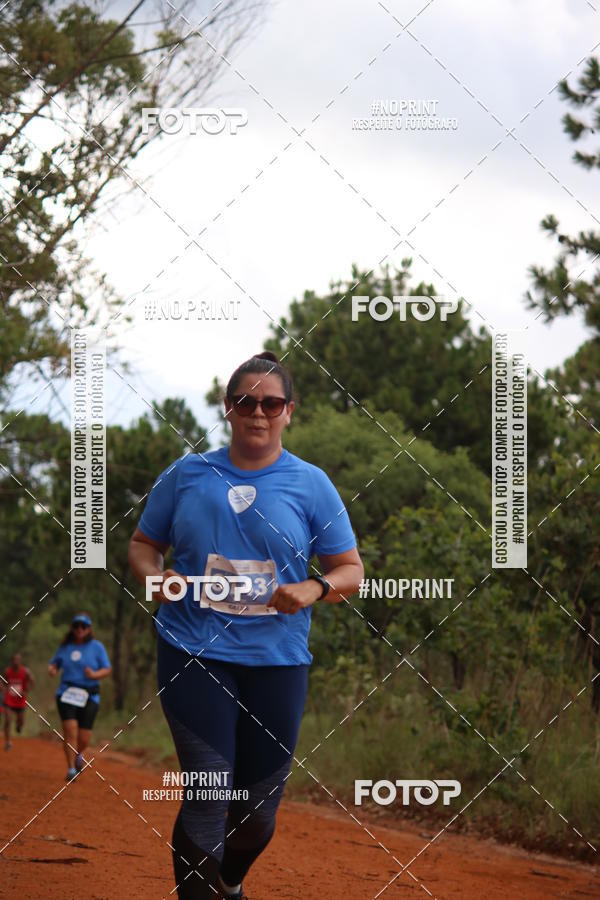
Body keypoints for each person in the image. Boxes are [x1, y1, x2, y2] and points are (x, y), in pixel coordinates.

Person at [128, 351, 364, 900]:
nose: (258, 412)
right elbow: (143, 545)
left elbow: (350, 569)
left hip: (276, 660)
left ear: (289, 412)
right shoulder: (188, 475)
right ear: (228, 408)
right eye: (246, 402)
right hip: (192, 649)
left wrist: (313, 588)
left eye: (271, 404)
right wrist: (155, 577)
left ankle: (229, 884)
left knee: (257, 813)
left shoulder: (311, 484)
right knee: (208, 791)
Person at [48, 613, 112, 781]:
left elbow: (107, 669)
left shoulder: (97, 647)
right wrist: (52, 669)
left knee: (84, 739)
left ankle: (78, 754)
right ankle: (71, 769)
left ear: (89, 629)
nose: (79, 629)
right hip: (67, 693)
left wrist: (94, 675)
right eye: (76, 626)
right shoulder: (65, 647)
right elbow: (54, 663)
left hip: (89, 695)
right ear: (72, 628)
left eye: (83, 626)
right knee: (70, 732)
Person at [3, 652, 35, 750]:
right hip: (9, 699)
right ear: (11, 661)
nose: (16, 662)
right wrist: (3, 689)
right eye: (14, 660)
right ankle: (8, 742)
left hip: (20, 700)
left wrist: (26, 690)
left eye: (18, 660)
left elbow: (32, 681)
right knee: (8, 720)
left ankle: (19, 726)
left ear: (20, 661)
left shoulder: (25, 671)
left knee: (21, 722)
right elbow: (3, 682)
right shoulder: (7, 671)